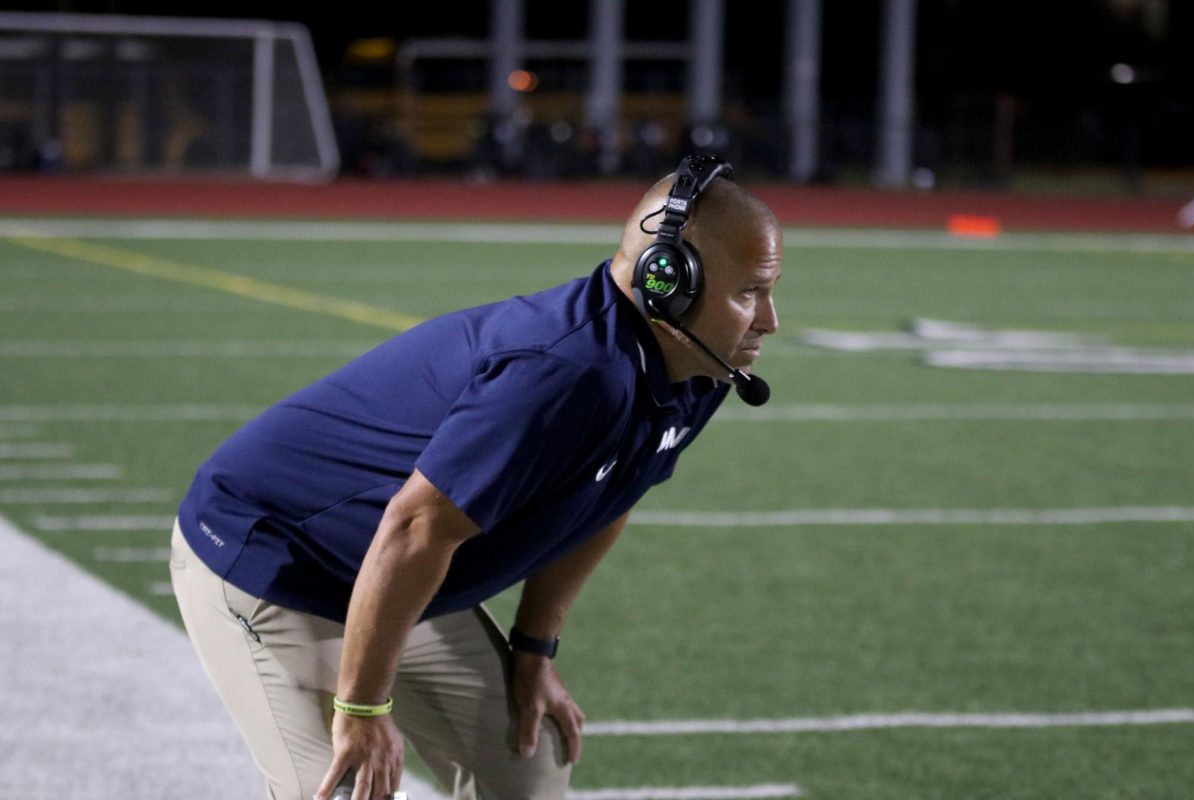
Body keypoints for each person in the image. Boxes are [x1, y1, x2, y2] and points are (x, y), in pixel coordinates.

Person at [169, 155, 782, 800]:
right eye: (749, 292)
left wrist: (534, 648)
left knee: (528, 772)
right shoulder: (567, 375)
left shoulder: (696, 364)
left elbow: (609, 497)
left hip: (392, 570)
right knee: (350, 790)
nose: (770, 319)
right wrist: (362, 709)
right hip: (274, 556)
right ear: (669, 283)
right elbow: (414, 530)